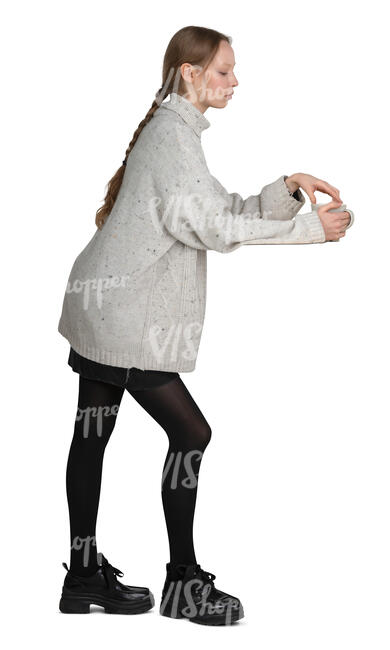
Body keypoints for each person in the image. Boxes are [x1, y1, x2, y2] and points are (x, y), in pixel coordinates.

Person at [57, 25, 352, 625]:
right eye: (222, 71)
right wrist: (308, 231)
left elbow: (219, 210)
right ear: (190, 74)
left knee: (93, 435)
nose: (234, 81)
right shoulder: (172, 139)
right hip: (124, 317)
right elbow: (216, 230)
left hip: (103, 305)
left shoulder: (176, 134)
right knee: (191, 434)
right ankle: (183, 584)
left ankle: (83, 577)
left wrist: (288, 188)